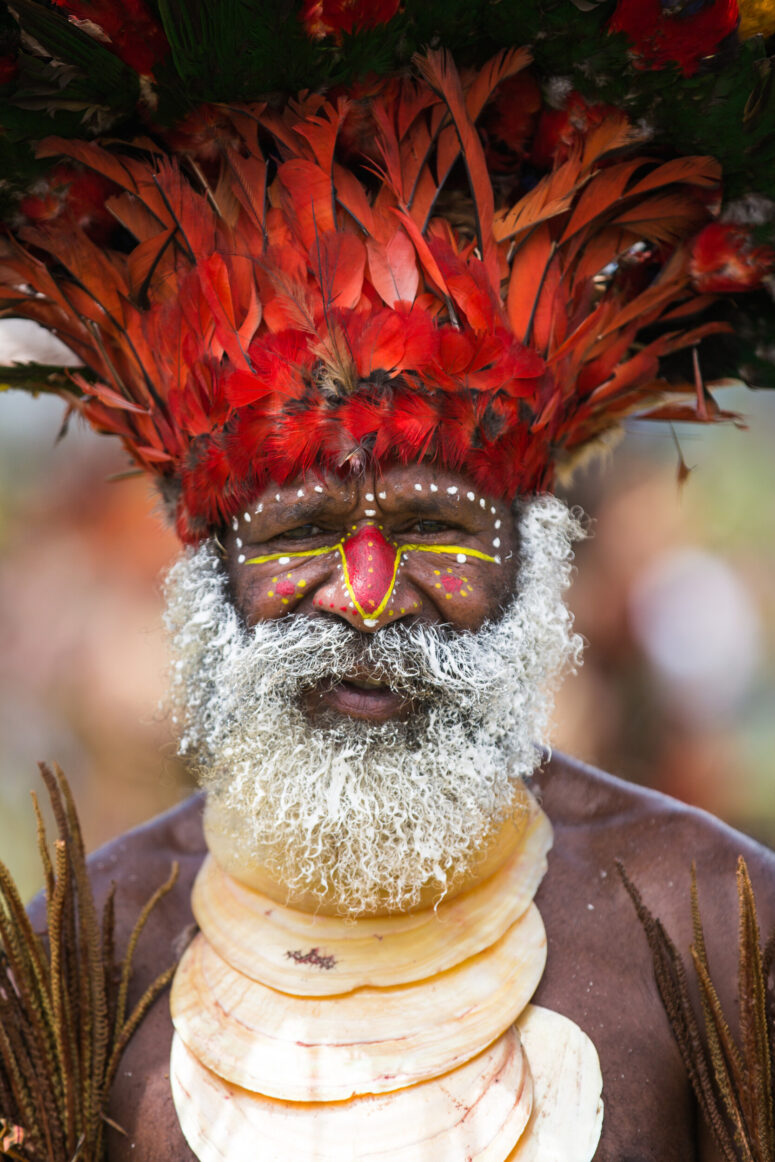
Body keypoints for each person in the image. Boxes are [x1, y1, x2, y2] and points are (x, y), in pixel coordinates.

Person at [2, 2, 775, 1159]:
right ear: (207, 572)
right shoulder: (80, 961)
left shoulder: (715, 917)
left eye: (436, 527)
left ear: (534, 556)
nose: (367, 593)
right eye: (299, 531)